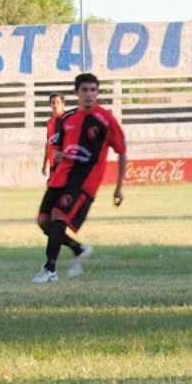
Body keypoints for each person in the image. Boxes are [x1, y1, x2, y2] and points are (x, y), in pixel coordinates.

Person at [33, 73, 127, 283]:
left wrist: (119, 188)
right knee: (43, 221)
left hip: (84, 180)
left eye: (93, 90)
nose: (89, 94)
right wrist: (57, 153)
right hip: (61, 176)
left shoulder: (105, 119)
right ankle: (78, 248)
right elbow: (56, 143)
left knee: (58, 216)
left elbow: (121, 150)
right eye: (84, 90)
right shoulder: (67, 119)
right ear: (76, 93)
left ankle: (50, 270)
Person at [41, 93, 65, 177]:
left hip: (63, 162)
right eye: (53, 102)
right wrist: (44, 163)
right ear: (50, 105)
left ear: (63, 105)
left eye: (58, 102)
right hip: (52, 162)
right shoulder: (49, 122)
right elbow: (48, 143)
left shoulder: (67, 120)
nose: (55, 105)